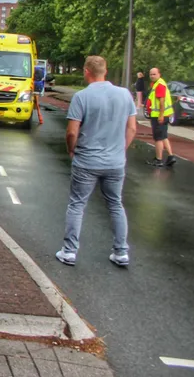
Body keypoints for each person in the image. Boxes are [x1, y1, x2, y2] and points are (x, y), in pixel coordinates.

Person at [55, 56, 136, 267]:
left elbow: (72, 132)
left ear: (86, 72)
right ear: (105, 70)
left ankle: (69, 251)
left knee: (77, 204)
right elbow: (132, 128)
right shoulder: (124, 95)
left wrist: (72, 151)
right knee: (115, 204)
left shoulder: (82, 97)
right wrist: (121, 149)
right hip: (115, 162)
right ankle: (121, 252)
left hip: (87, 161)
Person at [146, 67, 177, 167]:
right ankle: (171, 156)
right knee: (163, 136)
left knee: (158, 138)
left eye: (154, 74)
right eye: (151, 74)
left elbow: (162, 101)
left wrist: (160, 115)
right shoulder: (159, 83)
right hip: (163, 115)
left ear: (159, 74)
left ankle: (158, 159)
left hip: (159, 116)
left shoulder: (159, 85)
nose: (152, 76)